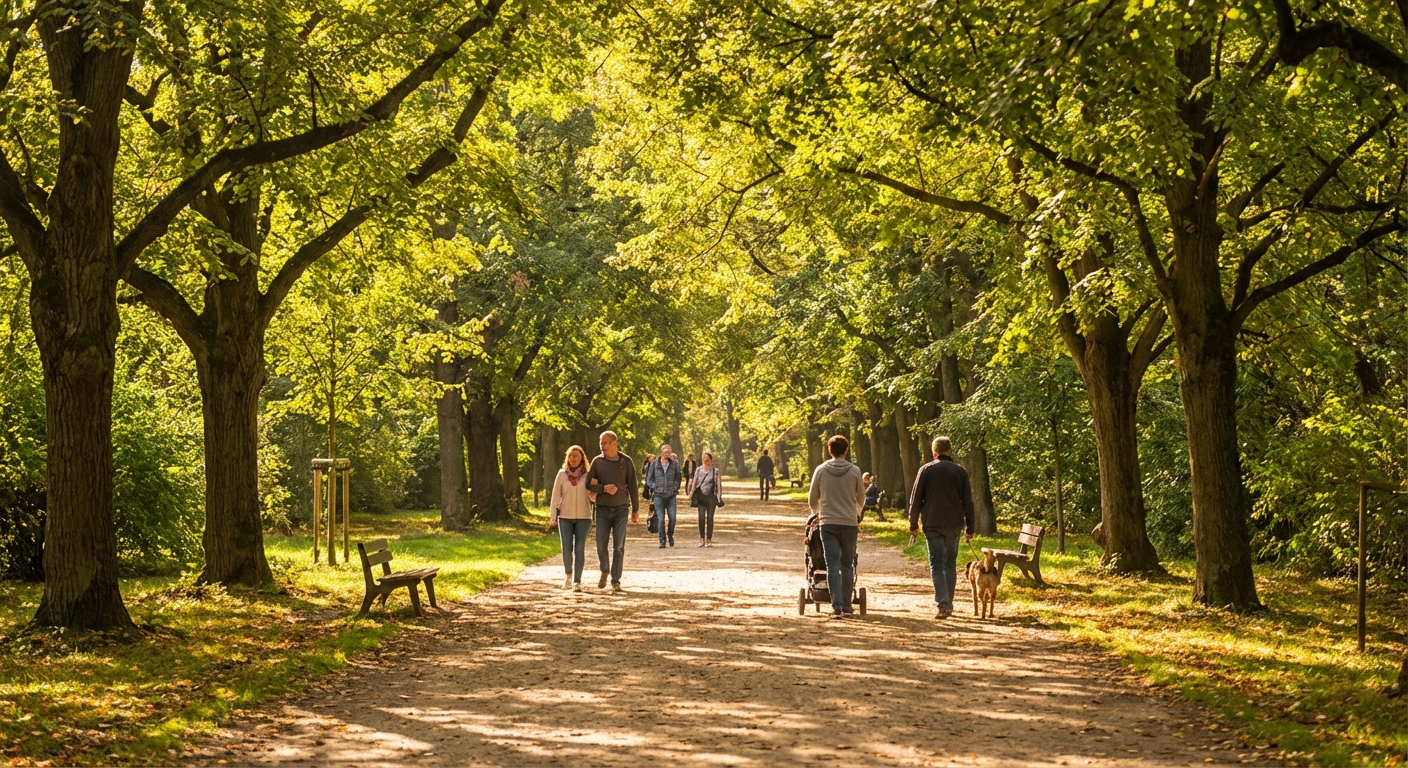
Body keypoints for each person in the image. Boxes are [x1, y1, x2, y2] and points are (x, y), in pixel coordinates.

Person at [908, 436, 975, 619]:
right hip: (954, 524)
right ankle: (949, 602)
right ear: (950, 451)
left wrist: (913, 524)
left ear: (934, 452)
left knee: (936, 563)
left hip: (933, 523)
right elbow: (968, 502)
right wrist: (970, 527)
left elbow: (915, 501)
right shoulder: (960, 472)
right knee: (950, 563)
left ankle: (943, 603)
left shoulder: (926, 470)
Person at [808, 435, 865, 619]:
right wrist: (855, 513)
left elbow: (812, 498)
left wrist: (818, 513)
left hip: (828, 523)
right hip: (849, 523)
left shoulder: (821, 470)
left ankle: (837, 606)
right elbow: (861, 498)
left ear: (829, 450)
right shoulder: (855, 471)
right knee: (847, 564)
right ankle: (848, 606)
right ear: (846, 450)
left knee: (832, 565)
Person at [587, 431, 640, 593]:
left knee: (619, 547)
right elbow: (588, 484)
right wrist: (603, 488)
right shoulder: (597, 462)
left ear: (614, 443)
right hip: (602, 509)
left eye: (605, 443)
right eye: (600, 443)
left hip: (621, 509)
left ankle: (615, 581)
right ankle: (604, 569)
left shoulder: (626, 461)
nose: (602, 446)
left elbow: (633, 486)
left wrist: (635, 510)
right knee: (601, 545)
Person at [550, 445, 594, 592]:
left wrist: (599, 492)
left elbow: (593, 496)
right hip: (565, 517)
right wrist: (553, 516)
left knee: (579, 548)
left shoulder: (588, 475)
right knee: (566, 548)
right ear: (567, 458)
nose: (573, 458)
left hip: (584, 517)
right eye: (571, 456)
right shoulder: (562, 475)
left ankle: (577, 581)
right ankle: (568, 575)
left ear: (582, 458)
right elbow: (556, 496)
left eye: (576, 455)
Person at [646, 444, 683, 548]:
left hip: (671, 495)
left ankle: (670, 534)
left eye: (669, 452)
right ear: (661, 452)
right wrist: (655, 486)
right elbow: (649, 479)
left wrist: (675, 488)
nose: (667, 454)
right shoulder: (654, 464)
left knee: (673, 518)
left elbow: (678, 478)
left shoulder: (675, 464)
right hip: (658, 495)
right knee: (660, 519)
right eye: (665, 452)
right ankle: (662, 540)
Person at [692, 451, 722, 547]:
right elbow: (694, 482)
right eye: (703, 458)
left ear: (710, 460)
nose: (704, 461)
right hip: (701, 496)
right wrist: (691, 493)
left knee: (710, 518)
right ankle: (701, 539)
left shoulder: (715, 471)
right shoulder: (698, 470)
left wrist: (719, 495)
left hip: (711, 497)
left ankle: (709, 539)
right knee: (701, 518)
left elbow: (718, 483)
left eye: (706, 459)